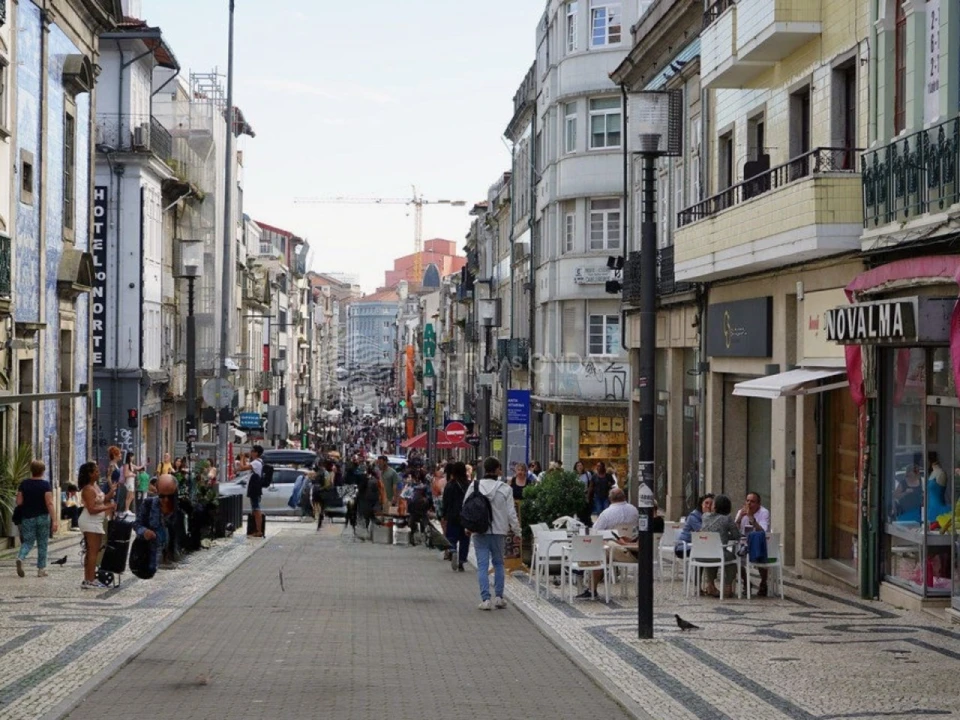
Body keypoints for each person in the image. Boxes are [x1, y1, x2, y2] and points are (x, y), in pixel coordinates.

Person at [463, 456, 519, 610]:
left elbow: (466, 507)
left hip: (480, 531)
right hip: (499, 531)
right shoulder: (505, 489)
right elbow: (511, 513)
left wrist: (467, 527)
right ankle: (499, 597)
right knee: (499, 564)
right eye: (500, 468)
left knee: (482, 566)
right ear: (496, 470)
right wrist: (517, 531)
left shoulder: (475, 486)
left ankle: (485, 599)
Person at [583, 488, 640, 598]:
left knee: (600, 553)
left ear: (610, 499)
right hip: (634, 549)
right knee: (602, 552)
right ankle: (592, 586)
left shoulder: (607, 513)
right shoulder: (634, 510)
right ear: (624, 497)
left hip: (622, 550)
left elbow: (595, 531)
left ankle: (591, 588)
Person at [77, 461, 117, 590]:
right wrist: (109, 506)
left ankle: (89, 578)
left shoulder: (95, 486)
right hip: (90, 521)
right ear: (90, 474)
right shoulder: (88, 489)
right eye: (96, 471)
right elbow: (92, 509)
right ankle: (90, 579)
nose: (98, 473)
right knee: (93, 551)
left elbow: (102, 498)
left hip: (96, 522)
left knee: (93, 550)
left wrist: (112, 492)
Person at [15, 460, 57, 579]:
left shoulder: (24, 484)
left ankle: (21, 557)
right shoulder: (45, 485)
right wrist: (54, 520)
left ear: (31, 470)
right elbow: (49, 503)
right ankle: (41, 569)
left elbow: (19, 502)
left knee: (28, 542)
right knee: (42, 543)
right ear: (43, 471)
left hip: (28, 518)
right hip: (43, 517)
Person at [134, 474, 183, 574]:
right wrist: (144, 532)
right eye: (162, 496)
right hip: (151, 564)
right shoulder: (148, 504)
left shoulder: (180, 508)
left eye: (169, 496)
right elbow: (137, 525)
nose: (165, 500)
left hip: (175, 569)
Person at [700, 494, 741, 597]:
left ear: (716, 506)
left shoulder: (704, 516)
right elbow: (737, 536)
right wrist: (726, 535)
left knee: (712, 553)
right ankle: (727, 586)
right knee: (732, 559)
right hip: (719, 554)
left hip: (702, 555)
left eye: (713, 503)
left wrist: (723, 534)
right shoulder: (727, 519)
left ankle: (710, 585)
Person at [735, 491, 771, 596]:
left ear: (758, 504)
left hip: (759, 543)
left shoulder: (764, 512)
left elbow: (762, 531)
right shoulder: (741, 512)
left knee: (760, 557)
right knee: (735, 560)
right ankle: (746, 582)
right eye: (747, 501)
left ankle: (763, 583)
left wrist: (751, 517)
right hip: (743, 544)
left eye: (752, 501)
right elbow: (735, 532)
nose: (749, 504)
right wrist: (739, 519)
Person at [442, 461, 470, 571]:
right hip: (466, 516)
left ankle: (453, 550)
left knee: (451, 537)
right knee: (464, 539)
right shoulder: (469, 484)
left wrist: (444, 515)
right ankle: (462, 562)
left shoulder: (450, 485)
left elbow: (446, 501)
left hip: (452, 515)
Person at [236, 445, 265, 537]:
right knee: (254, 508)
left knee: (256, 509)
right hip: (254, 487)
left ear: (256, 453)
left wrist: (241, 458)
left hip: (254, 488)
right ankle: (255, 529)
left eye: (252, 451)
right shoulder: (258, 462)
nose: (251, 453)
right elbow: (245, 466)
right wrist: (244, 458)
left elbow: (242, 468)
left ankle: (259, 530)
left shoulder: (256, 463)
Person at [120, 451, 143, 517]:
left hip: (131, 481)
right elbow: (125, 474)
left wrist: (144, 464)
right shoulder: (126, 464)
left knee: (132, 496)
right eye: (132, 456)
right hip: (129, 481)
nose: (133, 458)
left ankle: (127, 509)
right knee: (129, 495)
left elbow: (138, 468)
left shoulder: (131, 464)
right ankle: (126, 509)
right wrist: (132, 474)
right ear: (129, 457)